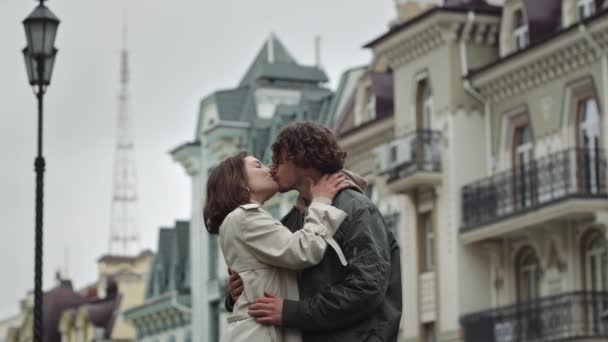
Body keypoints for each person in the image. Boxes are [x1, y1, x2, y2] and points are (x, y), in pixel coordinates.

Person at [228, 121, 402, 342]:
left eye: (277, 161)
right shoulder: (293, 219)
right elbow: (280, 281)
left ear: (299, 158)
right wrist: (240, 289)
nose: (272, 169)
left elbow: (367, 289)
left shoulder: (356, 209)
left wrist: (291, 312)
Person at [204, 151, 351, 342]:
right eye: (258, 166)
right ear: (239, 182)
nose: (269, 169)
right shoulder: (245, 217)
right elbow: (302, 251)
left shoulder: (244, 219)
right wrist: (322, 202)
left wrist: (238, 294)